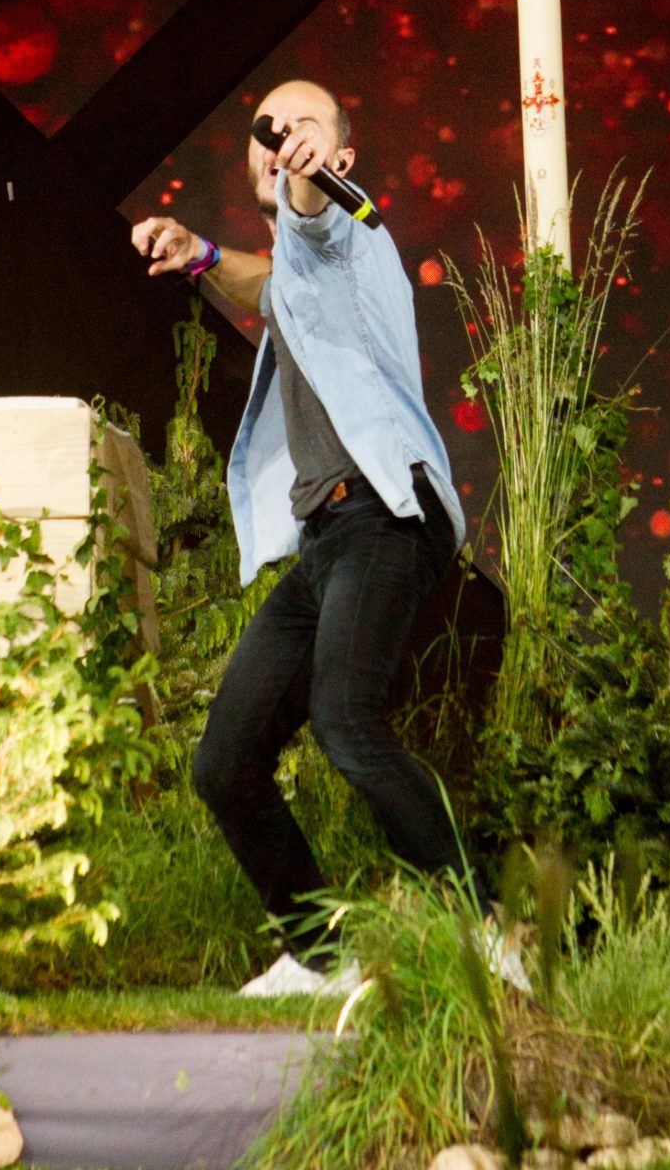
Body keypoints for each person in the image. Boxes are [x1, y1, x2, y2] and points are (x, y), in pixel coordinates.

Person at [130, 80, 467, 995]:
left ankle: (482, 936)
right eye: (268, 130)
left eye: (302, 129)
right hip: (328, 538)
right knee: (224, 763)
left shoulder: (348, 226)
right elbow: (270, 283)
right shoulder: (297, 273)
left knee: (347, 723)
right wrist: (200, 254)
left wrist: (311, 180)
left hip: (386, 514)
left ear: (338, 157)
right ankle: (320, 955)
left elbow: (313, 219)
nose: (280, 138)